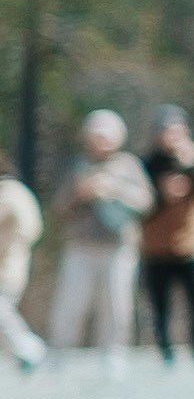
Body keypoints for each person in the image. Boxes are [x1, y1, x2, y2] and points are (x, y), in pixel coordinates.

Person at [47, 109, 147, 365]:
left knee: (116, 303)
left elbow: (145, 202)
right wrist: (80, 194)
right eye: (95, 135)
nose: (100, 141)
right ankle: (59, 351)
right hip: (80, 245)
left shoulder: (128, 166)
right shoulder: (78, 166)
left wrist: (114, 190)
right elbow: (59, 206)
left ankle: (114, 352)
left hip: (118, 246)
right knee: (71, 302)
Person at [138, 119, 194, 365]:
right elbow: (140, 205)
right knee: (159, 303)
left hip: (192, 245)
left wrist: (193, 163)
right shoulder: (147, 164)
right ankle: (165, 350)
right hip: (157, 246)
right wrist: (163, 194)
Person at [0, 162, 40, 372]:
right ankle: (24, 351)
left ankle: (30, 349)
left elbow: (29, 228)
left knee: (2, 312)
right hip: (10, 263)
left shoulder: (11, 193)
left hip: (8, 265)